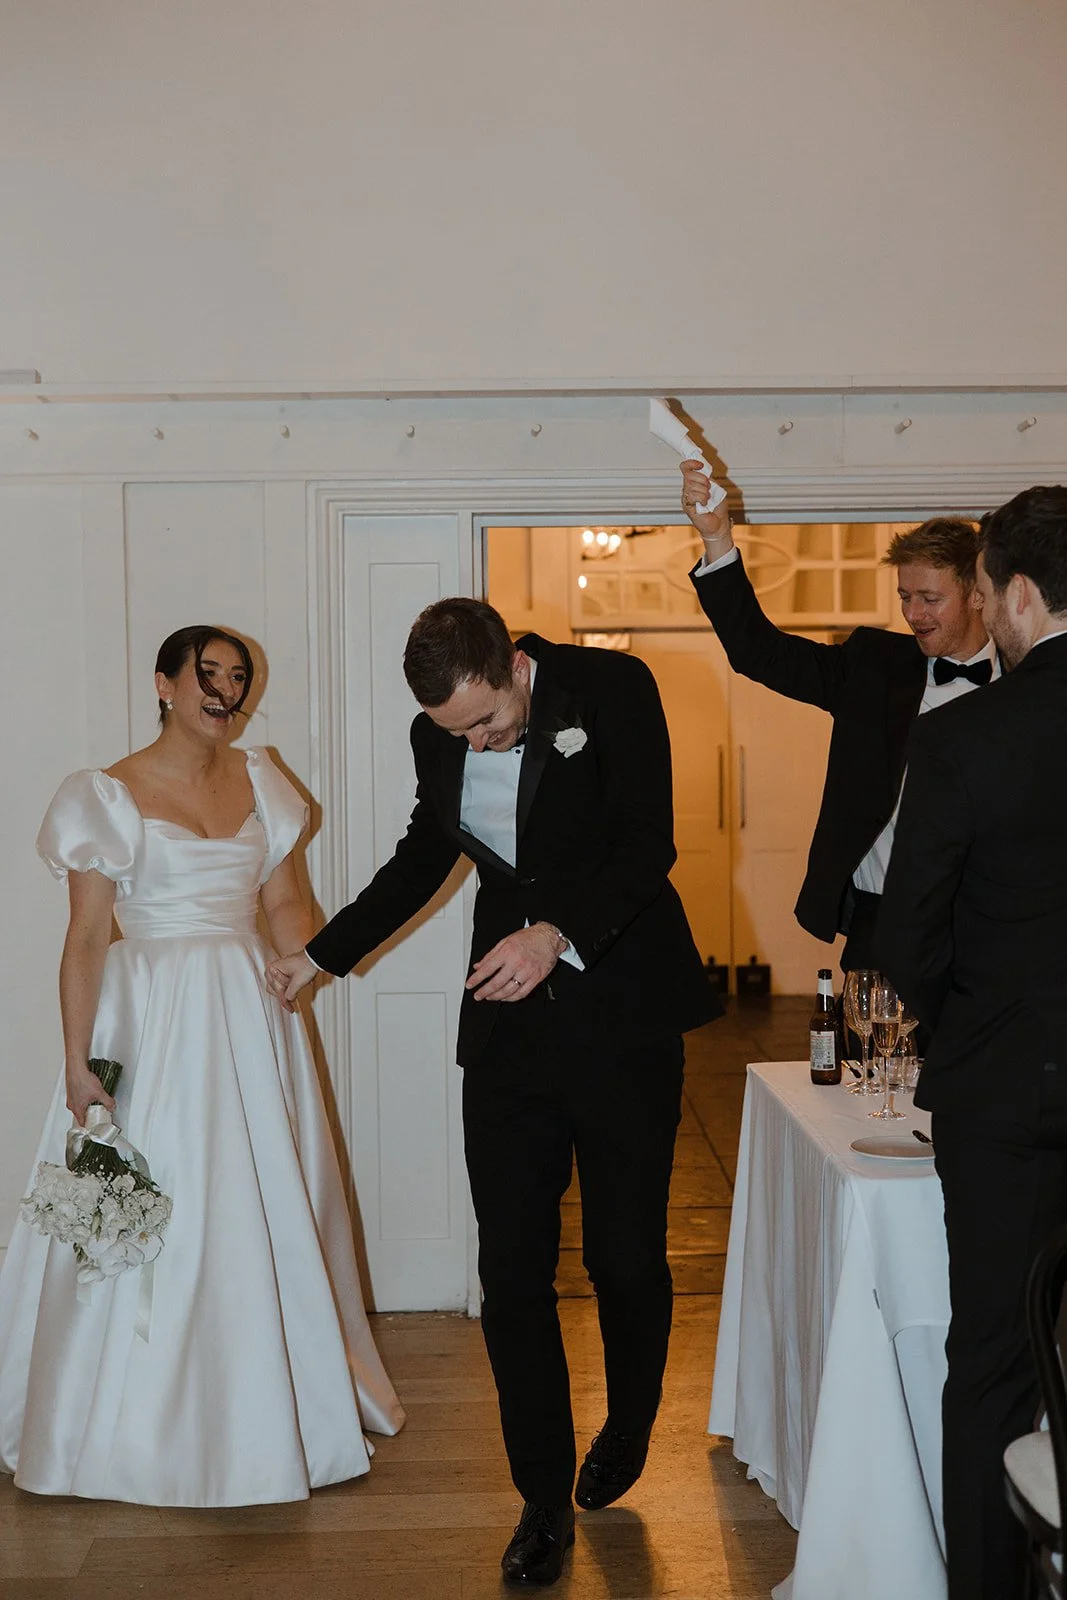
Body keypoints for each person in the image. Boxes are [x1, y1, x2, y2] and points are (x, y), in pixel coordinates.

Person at [266, 598, 720, 1587]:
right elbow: (430, 848)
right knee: (510, 1271)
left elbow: (647, 845)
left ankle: (635, 1412)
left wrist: (552, 930)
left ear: (515, 664)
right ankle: (539, 1499)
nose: (471, 742)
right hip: (507, 1030)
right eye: (452, 732)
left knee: (621, 1256)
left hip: (623, 1022)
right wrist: (322, 955)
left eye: (481, 723)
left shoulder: (612, 687)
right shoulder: (444, 730)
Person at [0, 625, 404, 1507]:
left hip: (251, 1017)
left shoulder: (264, 780)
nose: (224, 691)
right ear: (164, 683)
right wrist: (76, 1064)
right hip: (151, 1019)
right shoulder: (105, 793)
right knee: (153, 1199)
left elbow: (287, 903)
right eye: (207, 674)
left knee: (254, 1195)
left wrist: (304, 969)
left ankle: (273, 1398)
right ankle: (126, 1423)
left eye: (237, 677)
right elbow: (83, 941)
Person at [878, 485, 1067, 1600]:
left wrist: (974, 1027)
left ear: (1019, 592)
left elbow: (907, 937)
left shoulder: (961, 737)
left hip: (1005, 1094)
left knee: (992, 1362)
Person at [680, 460, 993, 968]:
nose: (914, 614)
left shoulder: (1029, 680)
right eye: (905, 597)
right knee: (867, 1048)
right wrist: (718, 540)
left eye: (930, 598)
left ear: (978, 593)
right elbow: (760, 653)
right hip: (882, 923)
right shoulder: (874, 666)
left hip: (989, 927)